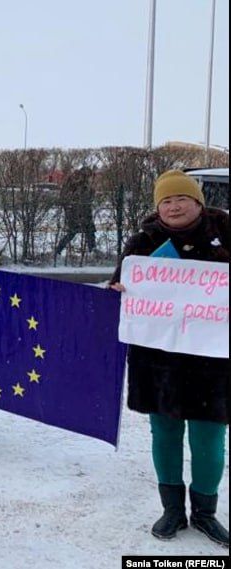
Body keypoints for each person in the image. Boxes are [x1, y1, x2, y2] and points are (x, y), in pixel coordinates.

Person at [109, 170, 229, 548]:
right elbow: (121, 287)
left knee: (210, 436)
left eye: (181, 199)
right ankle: (173, 510)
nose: (174, 206)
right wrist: (120, 288)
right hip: (158, 360)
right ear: (158, 207)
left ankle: (206, 513)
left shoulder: (225, 233)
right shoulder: (143, 241)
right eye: (166, 201)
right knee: (164, 433)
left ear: (197, 202)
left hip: (213, 359)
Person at [54, 167, 97, 256]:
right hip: (77, 212)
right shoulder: (79, 184)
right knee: (77, 231)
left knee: (85, 231)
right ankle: (92, 251)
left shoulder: (76, 182)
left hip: (78, 211)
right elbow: (84, 198)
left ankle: (92, 251)